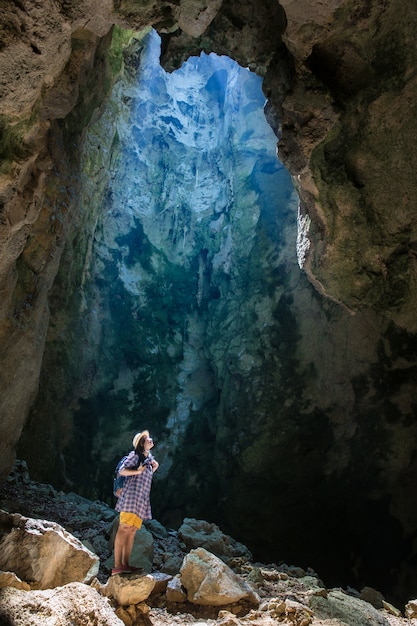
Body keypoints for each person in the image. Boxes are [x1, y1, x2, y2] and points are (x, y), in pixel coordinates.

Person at [112, 430, 159, 576]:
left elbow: (145, 478)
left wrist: (154, 467)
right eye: (146, 439)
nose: (150, 439)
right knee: (124, 528)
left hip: (141, 502)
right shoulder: (135, 456)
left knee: (132, 532)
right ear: (141, 443)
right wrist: (137, 471)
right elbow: (122, 471)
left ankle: (126, 564)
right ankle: (117, 566)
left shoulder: (149, 461)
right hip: (130, 498)